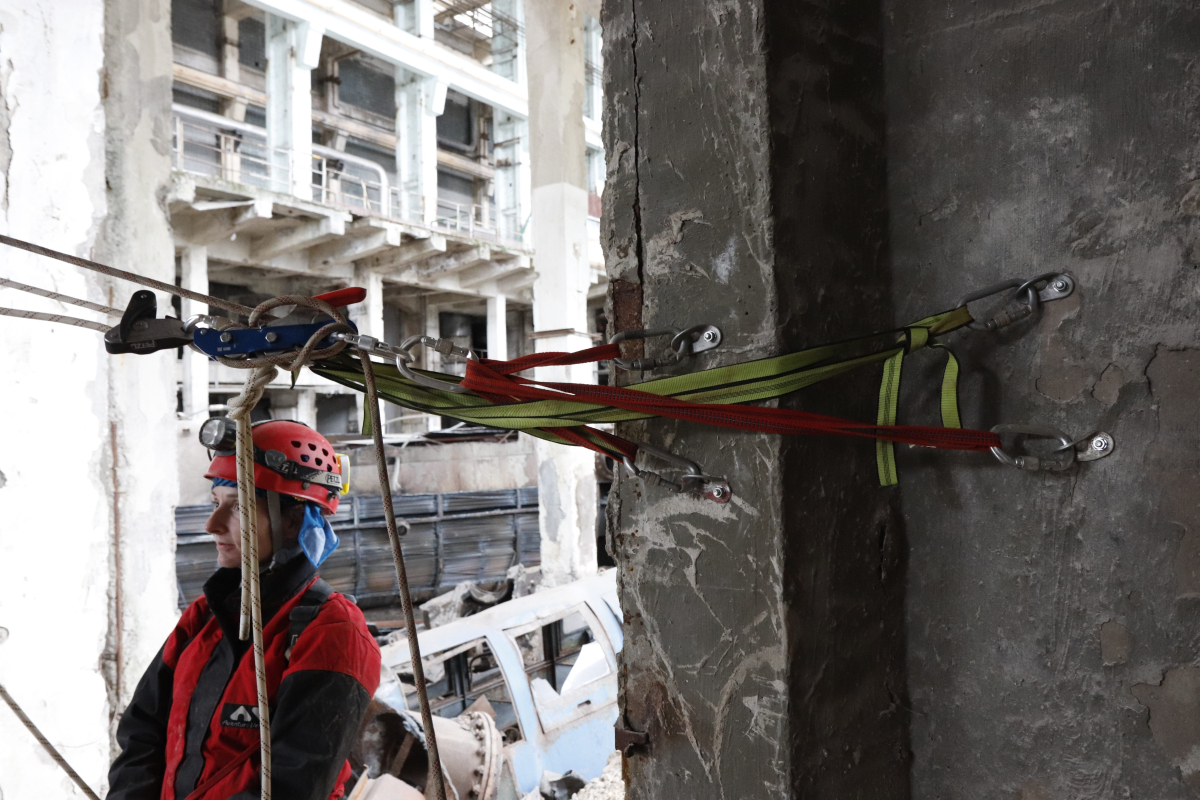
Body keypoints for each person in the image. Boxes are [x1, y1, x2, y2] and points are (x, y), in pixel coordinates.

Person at [106, 420, 381, 800]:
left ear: (292, 521)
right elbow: (142, 733)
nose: (212, 525)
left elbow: (295, 788)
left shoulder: (333, 633)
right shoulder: (203, 617)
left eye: (238, 507)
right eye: (215, 503)